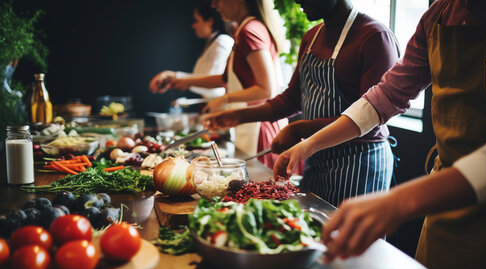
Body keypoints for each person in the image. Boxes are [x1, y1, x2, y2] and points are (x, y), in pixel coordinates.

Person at [275, 0, 486, 269]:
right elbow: (387, 94)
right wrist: (306, 145)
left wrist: (399, 201)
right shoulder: (441, 13)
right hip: (443, 205)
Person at [202, 0, 400, 206]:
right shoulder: (312, 37)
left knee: (349, 237)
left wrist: (300, 129)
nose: (297, 0)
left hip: (358, 165)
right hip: (314, 158)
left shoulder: (376, 37)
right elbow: (292, 98)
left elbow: (371, 122)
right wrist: (238, 116)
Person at [153, 0, 288, 167]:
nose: (214, 5)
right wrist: (178, 79)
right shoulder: (243, 30)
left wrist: (224, 99)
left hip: (260, 130)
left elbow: (266, 88)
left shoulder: (249, 31)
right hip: (249, 126)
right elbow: (225, 80)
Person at [149, 0, 234, 99]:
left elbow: (216, 82)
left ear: (210, 21)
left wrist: (178, 77)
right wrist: (178, 80)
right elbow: (203, 80)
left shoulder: (222, 41)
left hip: (221, 107)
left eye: (196, 20)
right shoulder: (212, 43)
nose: (193, 26)